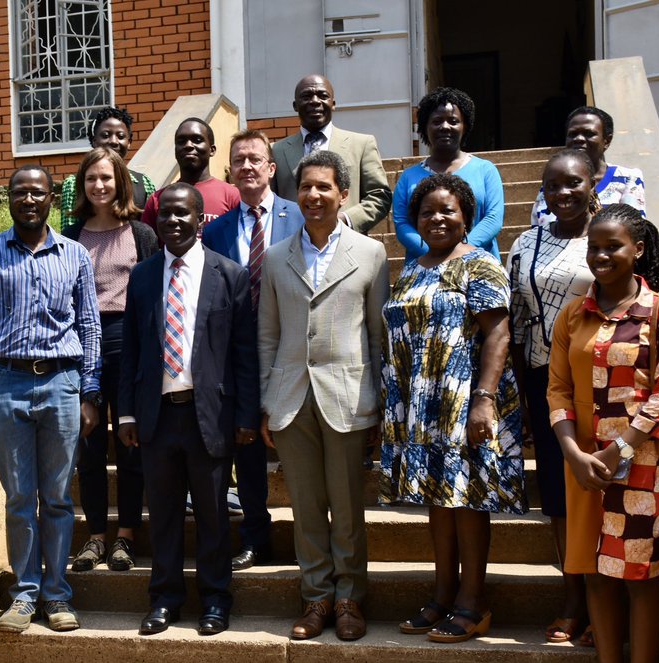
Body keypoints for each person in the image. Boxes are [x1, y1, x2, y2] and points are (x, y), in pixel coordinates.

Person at [549, 204, 659, 663]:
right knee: (595, 577)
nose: (602, 255)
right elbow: (557, 388)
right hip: (582, 463)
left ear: (639, 250)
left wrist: (618, 451)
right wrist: (573, 452)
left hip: (641, 468)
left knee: (635, 578)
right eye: (594, 247)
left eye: (613, 246)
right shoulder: (572, 315)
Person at [381, 173, 525, 643]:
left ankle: (472, 601)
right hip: (420, 402)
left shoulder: (479, 265)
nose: (437, 218)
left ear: (466, 217)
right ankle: (442, 595)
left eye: (447, 210)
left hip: (463, 398)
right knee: (435, 501)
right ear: (415, 220)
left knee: (466, 500)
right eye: (427, 211)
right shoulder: (412, 267)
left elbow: (498, 334)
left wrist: (483, 400)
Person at [0, 165, 101, 633]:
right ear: (9, 198)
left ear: (51, 199)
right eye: (20, 192)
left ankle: (58, 594)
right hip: (7, 384)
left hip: (62, 383)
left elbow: (89, 328)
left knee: (58, 498)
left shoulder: (75, 255)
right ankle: (24, 594)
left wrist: (89, 391)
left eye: (37, 193)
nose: (29, 200)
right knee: (20, 496)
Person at [258, 149, 389, 640]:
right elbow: (267, 336)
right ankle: (316, 599)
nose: (313, 196)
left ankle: (351, 599)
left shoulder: (370, 254)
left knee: (348, 507)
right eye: (306, 187)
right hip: (291, 399)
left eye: (324, 188)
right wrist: (267, 404)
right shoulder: (275, 257)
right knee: (307, 508)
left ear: (343, 194)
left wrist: (377, 401)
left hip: (349, 396)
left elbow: (377, 334)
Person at [119, 183, 260, 637]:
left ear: (202, 221)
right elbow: (133, 350)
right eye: (166, 216)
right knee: (161, 514)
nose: (174, 222)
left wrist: (244, 416)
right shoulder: (142, 277)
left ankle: (216, 600)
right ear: (156, 224)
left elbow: (244, 353)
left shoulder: (231, 275)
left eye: (184, 215)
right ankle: (165, 599)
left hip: (211, 415)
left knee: (213, 514)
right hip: (158, 416)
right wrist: (125, 414)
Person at [507, 149, 599, 644]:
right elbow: (519, 322)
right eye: (553, 185)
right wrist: (525, 395)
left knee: (601, 490)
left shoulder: (610, 236)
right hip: (548, 384)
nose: (563, 193)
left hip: (605, 383)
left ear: (594, 182)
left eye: (573, 183)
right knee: (560, 499)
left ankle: (605, 599)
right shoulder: (524, 244)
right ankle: (573, 597)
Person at [202, 129, 303, 570]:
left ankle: (312, 541)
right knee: (246, 452)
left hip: (293, 351)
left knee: (301, 451)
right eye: (238, 159)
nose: (246, 166)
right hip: (237, 357)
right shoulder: (216, 230)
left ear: (271, 167)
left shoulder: (300, 216)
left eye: (254, 159)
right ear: (230, 170)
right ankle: (255, 538)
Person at [62, 148, 159, 572]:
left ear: (121, 181)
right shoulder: (70, 237)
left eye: (106, 177)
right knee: (89, 445)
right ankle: (96, 537)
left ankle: (125, 537)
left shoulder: (142, 234)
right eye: (90, 179)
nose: (98, 185)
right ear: (81, 186)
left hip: (129, 342)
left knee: (130, 444)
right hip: (83, 344)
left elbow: (153, 297)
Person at [271, 74, 392, 233]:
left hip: (347, 243)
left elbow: (379, 196)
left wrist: (345, 220)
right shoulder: (275, 151)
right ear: (295, 105)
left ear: (333, 103)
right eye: (307, 96)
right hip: (293, 245)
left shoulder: (361, 144)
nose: (315, 101)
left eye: (323, 96)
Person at [392, 87, 505, 259]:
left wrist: (459, 252)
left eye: (453, 121)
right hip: (425, 267)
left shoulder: (486, 170)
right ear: (424, 127)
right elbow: (402, 224)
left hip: (478, 264)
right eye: (437, 121)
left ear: (465, 126)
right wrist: (433, 254)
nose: (445, 126)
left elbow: (493, 219)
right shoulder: (408, 177)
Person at [531, 106, 645, 227]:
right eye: (573, 134)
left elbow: (634, 230)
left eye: (589, 134)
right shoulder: (553, 184)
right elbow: (537, 228)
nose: (579, 139)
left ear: (607, 140)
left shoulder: (628, 178)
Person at [59, 107, 157, 230]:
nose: (114, 141)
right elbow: (69, 236)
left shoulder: (144, 183)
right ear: (94, 141)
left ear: (129, 142)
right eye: (105, 135)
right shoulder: (74, 184)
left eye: (121, 136)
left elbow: (151, 233)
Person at [140, 118, 240, 230]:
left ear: (212, 150)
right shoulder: (157, 199)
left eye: (197, 140)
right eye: (181, 141)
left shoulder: (233, 196)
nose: (188, 145)